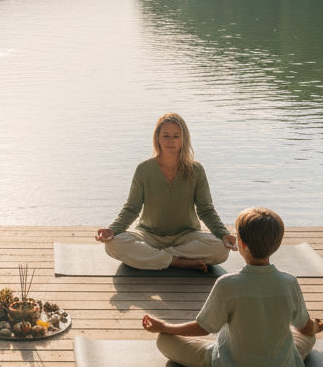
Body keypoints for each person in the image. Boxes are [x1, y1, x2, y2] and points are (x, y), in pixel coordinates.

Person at [141, 207, 323, 367]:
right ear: (276, 245)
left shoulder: (227, 284)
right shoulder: (289, 282)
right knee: (308, 335)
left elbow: (203, 328)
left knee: (164, 340)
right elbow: (305, 327)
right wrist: (316, 326)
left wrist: (164, 327)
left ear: (242, 244)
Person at [95, 112, 236, 271]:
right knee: (113, 244)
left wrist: (224, 234)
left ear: (183, 138)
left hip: (187, 236)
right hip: (148, 235)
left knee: (221, 249)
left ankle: (158, 257)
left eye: (176, 136)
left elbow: (206, 210)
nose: (171, 141)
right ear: (157, 138)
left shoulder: (196, 170)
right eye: (166, 136)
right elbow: (132, 208)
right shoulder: (144, 169)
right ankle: (177, 261)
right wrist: (113, 230)